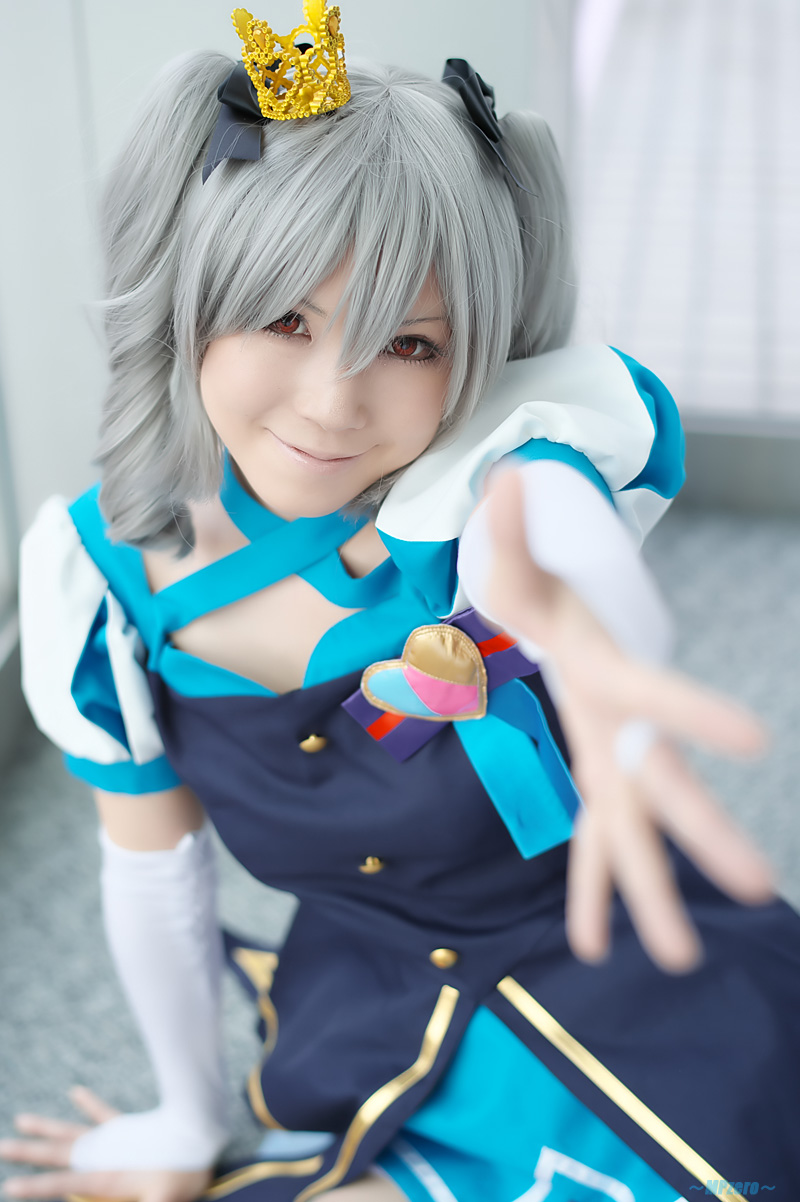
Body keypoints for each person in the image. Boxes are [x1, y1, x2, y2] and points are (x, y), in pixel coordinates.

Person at [3, 5, 799, 1200]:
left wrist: (598, 639)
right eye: (284, 318)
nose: (334, 401)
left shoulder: (490, 471)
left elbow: (551, 519)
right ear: (189, 299)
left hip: (630, 971)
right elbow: (153, 870)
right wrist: (182, 1119)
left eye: (409, 344)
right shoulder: (99, 583)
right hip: (372, 1007)